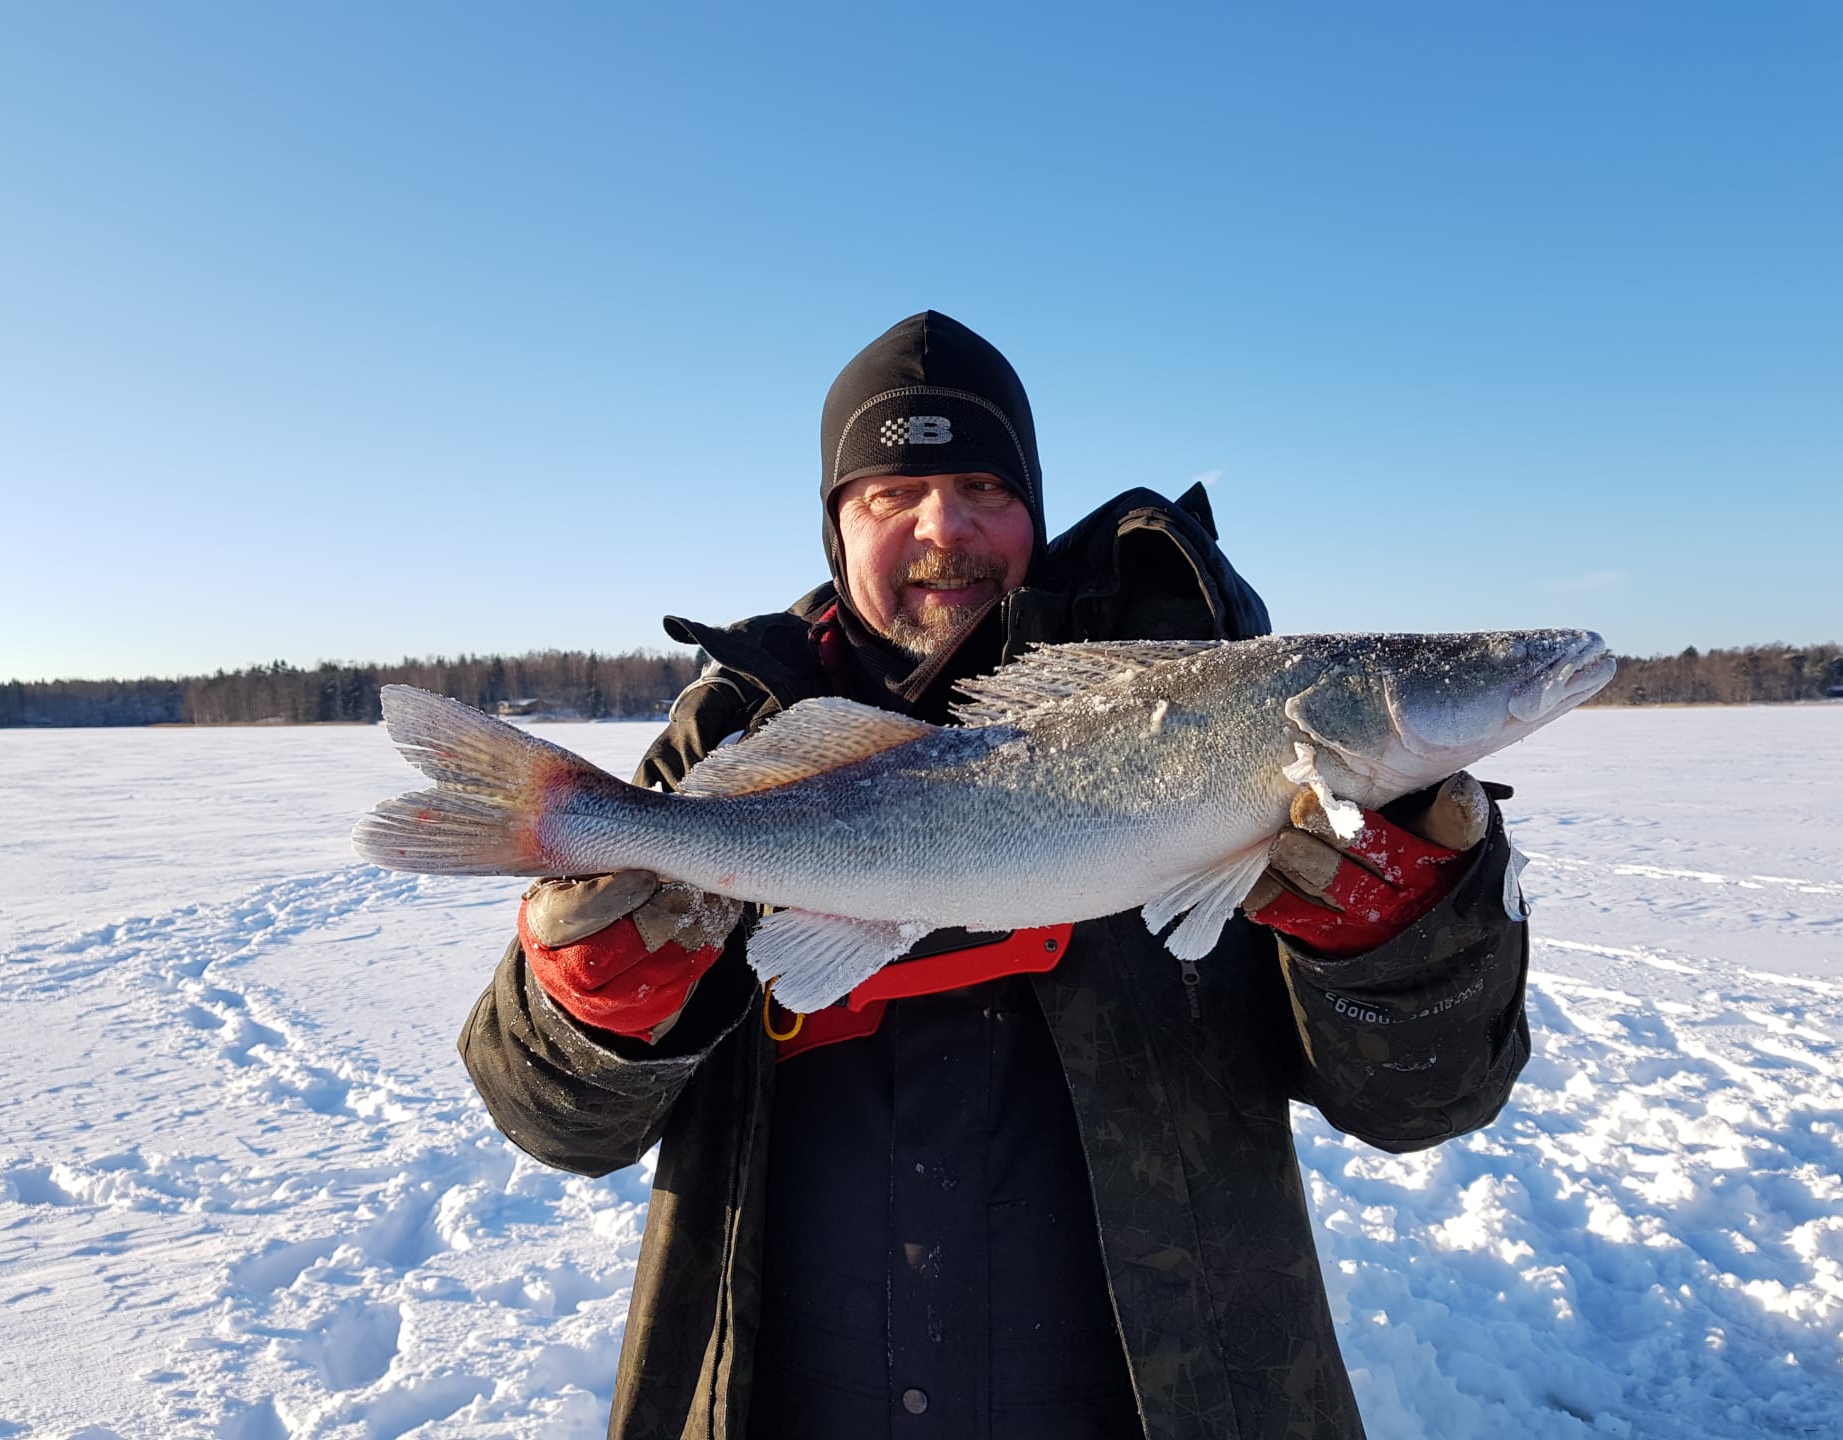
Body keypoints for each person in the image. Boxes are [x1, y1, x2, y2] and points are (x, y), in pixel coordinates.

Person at [459, 312, 1531, 1440]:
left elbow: (1430, 1098)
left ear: (1033, 510)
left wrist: (1403, 944)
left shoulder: (1212, 720)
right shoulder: (726, 752)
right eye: (889, 493)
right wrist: (589, 1010)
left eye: (984, 485)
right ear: (835, 525)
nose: (945, 529)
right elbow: (554, 1124)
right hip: (786, 1399)